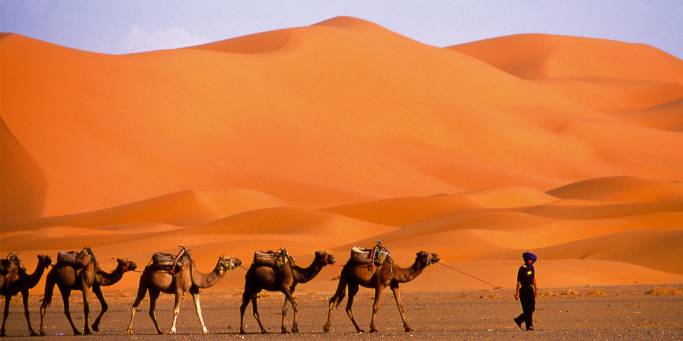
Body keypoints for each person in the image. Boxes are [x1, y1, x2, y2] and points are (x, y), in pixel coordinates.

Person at [514, 251, 537, 330]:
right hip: (523, 290)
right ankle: (529, 325)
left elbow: (534, 279)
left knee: (532, 308)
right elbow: (519, 282)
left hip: (530, 289)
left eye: (531, 260)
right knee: (527, 309)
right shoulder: (521, 269)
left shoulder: (532, 267)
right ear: (525, 260)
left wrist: (536, 289)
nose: (530, 261)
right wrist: (517, 293)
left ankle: (519, 319)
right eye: (528, 259)